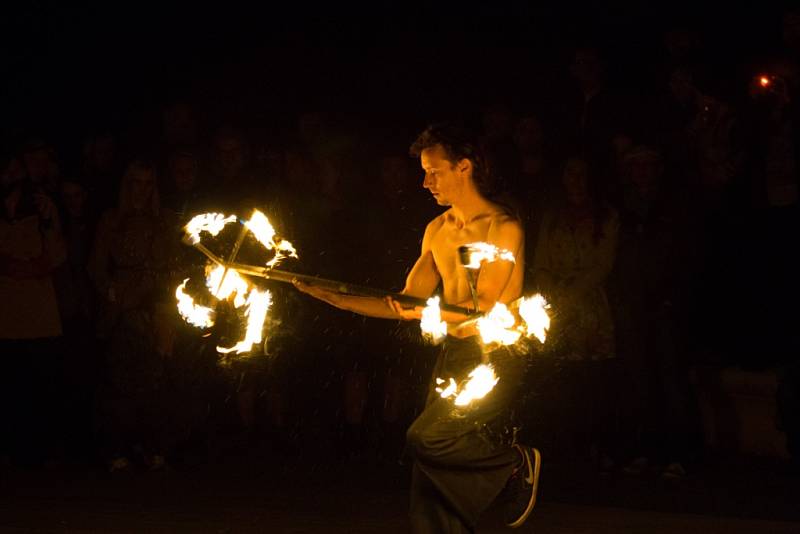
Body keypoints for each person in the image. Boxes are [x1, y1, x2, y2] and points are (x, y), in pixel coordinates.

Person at [293, 123, 540, 532]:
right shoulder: (437, 231)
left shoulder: (503, 227)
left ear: (464, 167)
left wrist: (424, 308)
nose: (426, 182)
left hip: (493, 359)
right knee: (429, 483)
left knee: (427, 438)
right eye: (423, 172)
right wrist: (334, 297)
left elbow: (483, 308)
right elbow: (407, 301)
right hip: (454, 357)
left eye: (435, 171)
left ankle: (514, 464)